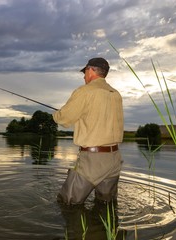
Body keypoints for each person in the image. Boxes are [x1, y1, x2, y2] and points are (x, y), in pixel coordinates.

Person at [53, 57, 124, 205]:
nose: (84, 76)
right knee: (107, 206)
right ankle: (105, 227)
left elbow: (64, 118)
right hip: (114, 158)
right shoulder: (116, 94)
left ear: (90, 70)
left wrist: (56, 114)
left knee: (67, 203)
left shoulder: (85, 91)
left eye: (84, 72)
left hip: (92, 160)